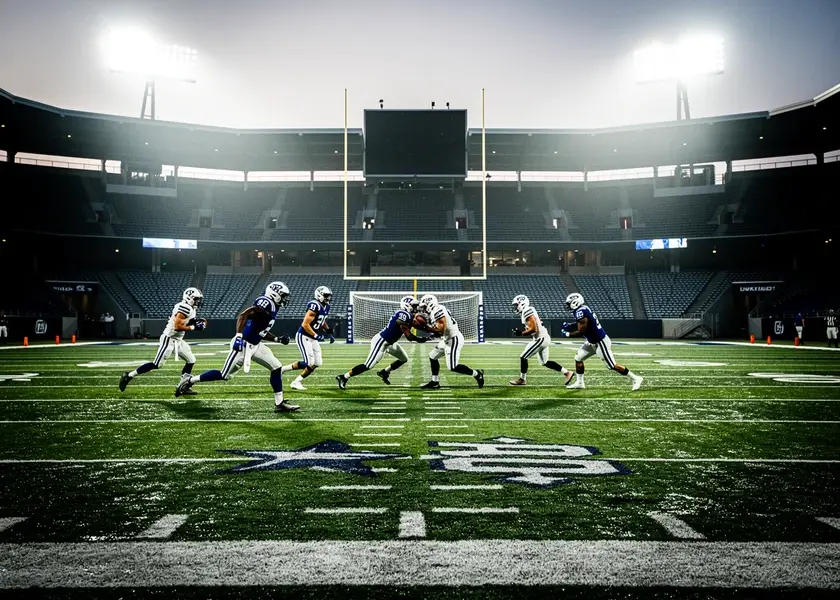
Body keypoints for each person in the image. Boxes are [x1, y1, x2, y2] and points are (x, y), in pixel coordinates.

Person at [175, 281, 299, 413]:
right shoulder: (266, 302)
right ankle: (189, 380)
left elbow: (261, 331)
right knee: (224, 375)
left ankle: (279, 403)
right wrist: (239, 336)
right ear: (275, 294)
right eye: (283, 296)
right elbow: (243, 315)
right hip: (243, 345)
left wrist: (277, 339)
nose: (285, 299)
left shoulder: (274, 306)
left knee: (277, 368)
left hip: (256, 345)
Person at [120, 288, 205, 393]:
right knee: (157, 364)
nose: (198, 301)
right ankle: (128, 375)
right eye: (196, 299)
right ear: (188, 298)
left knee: (191, 360)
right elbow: (177, 326)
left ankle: (183, 386)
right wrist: (194, 327)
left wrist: (196, 322)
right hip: (169, 339)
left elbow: (186, 321)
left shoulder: (190, 308)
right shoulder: (185, 308)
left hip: (178, 340)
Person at [336, 295, 426, 389]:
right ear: (407, 305)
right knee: (368, 365)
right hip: (381, 342)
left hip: (390, 343)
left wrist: (431, 332)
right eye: (414, 306)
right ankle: (344, 377)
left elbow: (419, 327)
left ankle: (385, 372)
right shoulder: (403, 314)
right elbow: (409, 336)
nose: (416, 308)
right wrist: (419, 339)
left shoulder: (409, 316)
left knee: (404, 359)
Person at [562, 292, 643, 391]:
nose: (568, 306)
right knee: (578, 359)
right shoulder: (583, 309)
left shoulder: (580, 312)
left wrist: (568, 334)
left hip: (600, 342)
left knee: (612, 365)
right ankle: (580, 383)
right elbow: (582, 323)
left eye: (569, 303)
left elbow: (582, 330)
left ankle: (636, 378)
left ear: (575, 302)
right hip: (591, 341)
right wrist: (571, 325)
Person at [418, 294, 484, 389]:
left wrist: (425, 328)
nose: (424, 309)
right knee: (432, 356)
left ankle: (477, 374)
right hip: (446, 339)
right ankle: (435, 382)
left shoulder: (438, 312)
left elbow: (440, 331)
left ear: (430, 304)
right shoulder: (436, 310)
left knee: (453, 367)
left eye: (424, 306)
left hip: (453, 340)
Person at [509, 294, 572, 386]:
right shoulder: (528, 311)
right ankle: (567, 373)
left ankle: (522, 379)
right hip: (542, 338)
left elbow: (534, 329)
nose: (515, 307)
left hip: (540, 338)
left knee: (523, 357)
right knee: (544, 362)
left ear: (521, 303)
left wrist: (521, 333)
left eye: (516, 305)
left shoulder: (527, 310)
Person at [290, 286, 335, 391]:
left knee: (317, 362)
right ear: (319, 295)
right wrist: (316, 335)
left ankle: (297, 381)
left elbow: (321, 320)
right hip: (304, 336)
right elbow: (305, 324)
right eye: (326, 296)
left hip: (312, 337)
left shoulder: (326, 306)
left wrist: (328, 331)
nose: (328, 298)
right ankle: (282, 370)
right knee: (309, 362)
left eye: (329, 296)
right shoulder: (314, 305)